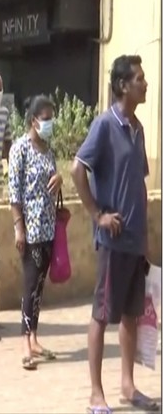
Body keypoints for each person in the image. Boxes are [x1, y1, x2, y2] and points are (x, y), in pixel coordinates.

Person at [71, 55, 159, 413]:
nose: (145, 83)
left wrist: (146, 240)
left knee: (131, 315)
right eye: (139, 78)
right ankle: (96, 392)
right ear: (123, 85)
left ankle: (128, 385)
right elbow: (78, 169)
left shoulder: (136, 128)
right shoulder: (105, 125)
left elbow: (137, 181)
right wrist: (97, 215)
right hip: (112, 241)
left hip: (135, 242)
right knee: (101, 315)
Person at [8, 95, 62, 371]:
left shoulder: (48, 151)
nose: (50, 123)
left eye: (51, 117)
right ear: (33, 120)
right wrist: (19, 228)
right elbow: (14, 193)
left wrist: (59, 178)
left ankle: (35, 337)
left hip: (49, 226)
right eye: (46, 118)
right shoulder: (20, 149)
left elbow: (52, 182)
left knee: (40, 286)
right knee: (30, 285)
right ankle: (24, 342)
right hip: (30, 229)